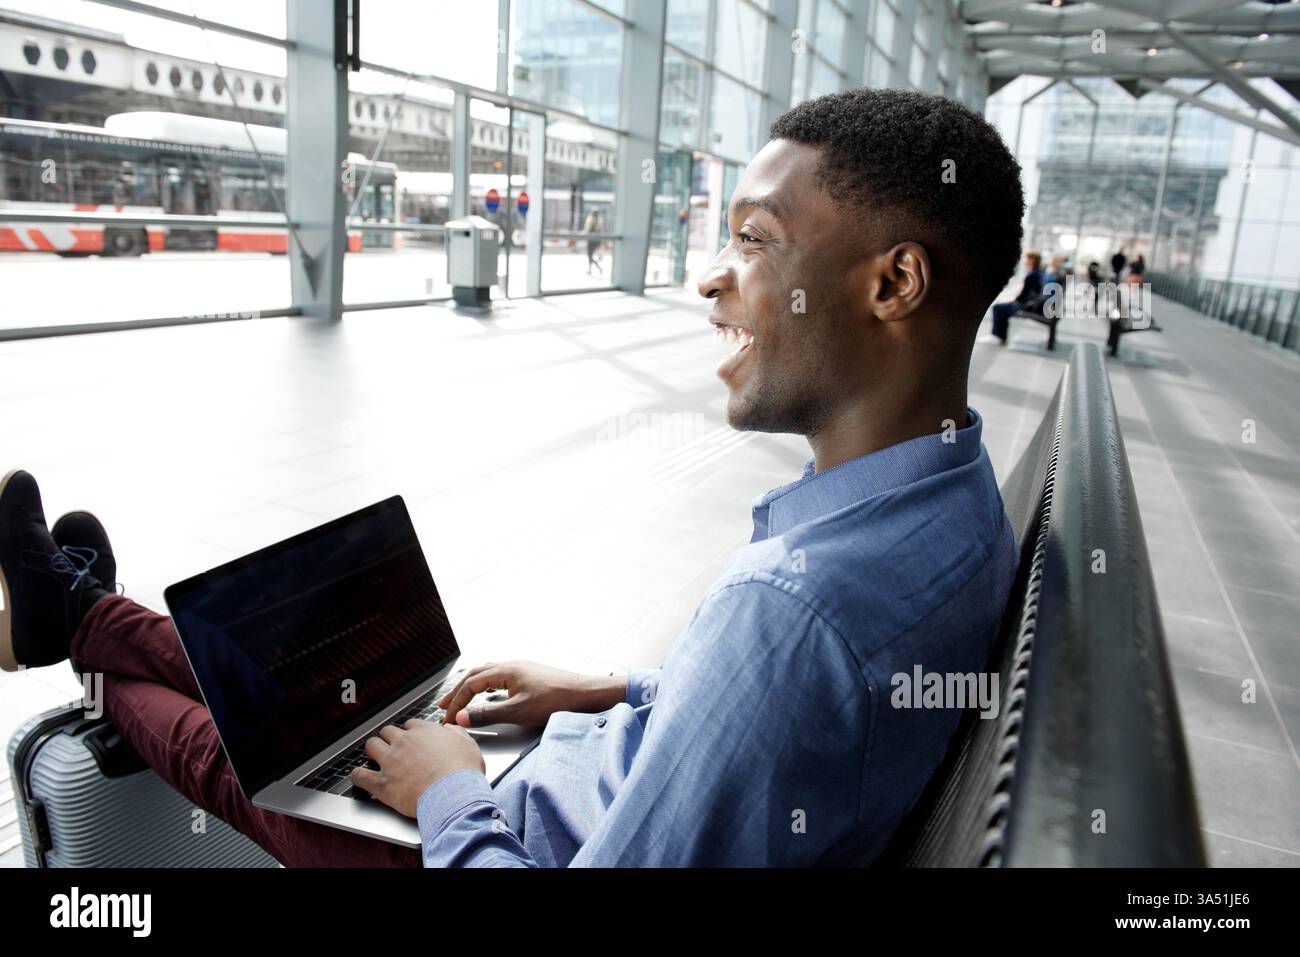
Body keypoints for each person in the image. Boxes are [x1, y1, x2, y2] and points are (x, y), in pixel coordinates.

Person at [0, 88, 1023, 868]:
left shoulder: (792, 611)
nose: (713, 277)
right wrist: (622, 690)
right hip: (564, 781)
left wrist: (449, 795)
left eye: (753, 240)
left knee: (247, 753)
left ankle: (74, 622)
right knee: (315, 695)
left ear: (892, 282)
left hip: (498, 840)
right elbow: (795, 717)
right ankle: (77, 608)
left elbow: (794, 670)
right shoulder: (952, 496)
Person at [984, 250, 1046, 345]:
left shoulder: (1032, 275)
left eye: (1027, 258)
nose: (1025, 261)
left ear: (1032, 260)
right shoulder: (1038, 273)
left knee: (998, 308)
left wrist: (1013, 300)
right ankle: (999, 336)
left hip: (1027, 305)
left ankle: (997, 336)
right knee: (1002, 307)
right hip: (1032, 303)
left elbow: (1023, 295)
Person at [584, 208, 603, 276]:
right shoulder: (599, 222)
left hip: (592, 241)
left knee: (589, 255)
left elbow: (588, 231)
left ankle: (597, 268)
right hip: (595, 241)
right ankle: (591, 269)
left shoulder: (592, 222)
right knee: (590, 255)